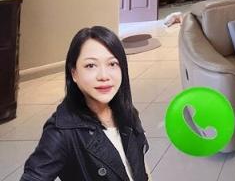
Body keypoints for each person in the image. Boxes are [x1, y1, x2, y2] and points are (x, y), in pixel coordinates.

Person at [21, 26, 149, 180]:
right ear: (74, 73)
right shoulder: (62, 131)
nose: (104, 76)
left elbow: (140, 167)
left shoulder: (126, 110)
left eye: (112, 64)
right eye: (90, 66)